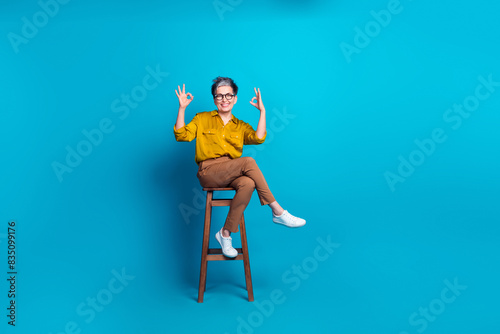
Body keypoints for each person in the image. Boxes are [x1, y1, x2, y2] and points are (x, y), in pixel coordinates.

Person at [174, 77, 305, 258]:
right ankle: (278, 211)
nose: (224, 99)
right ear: (214, 99)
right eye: (219, 96)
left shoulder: (240, 125)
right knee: (248, 162)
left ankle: (225, 234)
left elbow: (259, 138)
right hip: (209, 171)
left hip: (232, 171)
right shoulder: (202, 118)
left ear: (235, 98)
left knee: (248, 183)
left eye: (229, 95)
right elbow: (181, 136)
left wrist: (263, 111)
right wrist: (182, 108)